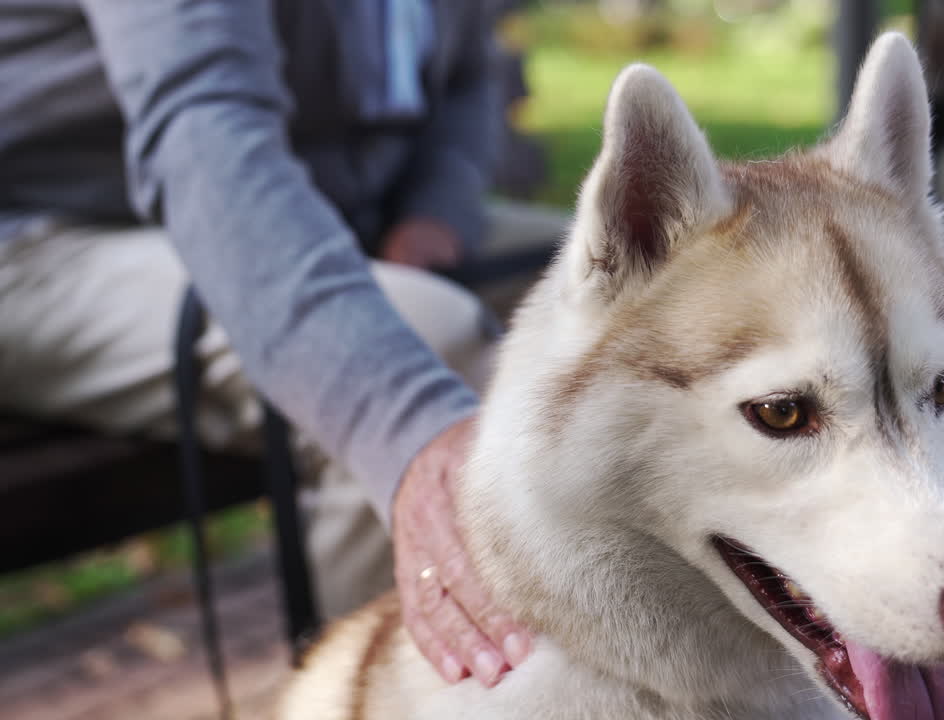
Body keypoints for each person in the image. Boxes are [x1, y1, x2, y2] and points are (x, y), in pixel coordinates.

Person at [0, 0, 562, 688]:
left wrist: (435, 210)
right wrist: (405, 424)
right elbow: (206, 140)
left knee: (618, 299)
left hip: (328, 206)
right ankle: (403, 687)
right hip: (53, 235)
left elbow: (470, 73)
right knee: (423, 341)